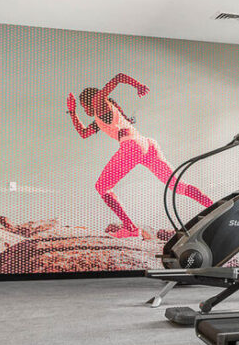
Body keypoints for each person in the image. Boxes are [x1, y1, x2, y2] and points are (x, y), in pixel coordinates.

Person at [66, 73, 211, 238]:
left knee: (102, 187)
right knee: (176, 185)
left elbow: (118, 77)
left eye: (83, 106)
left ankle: (131, 228)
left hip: (132, 146)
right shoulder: (102, 116)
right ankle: (212, 207)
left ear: (89, 101)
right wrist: (72, 112)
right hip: (147, 145)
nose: (84, 110)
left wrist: (138, 85)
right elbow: (84, 133)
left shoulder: (99, 104)